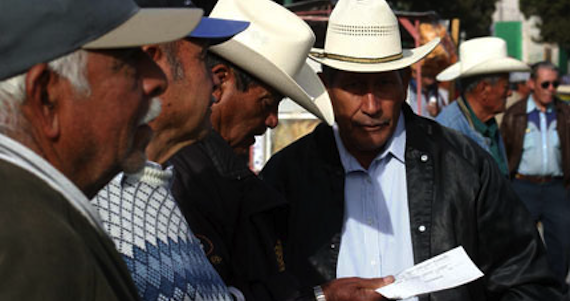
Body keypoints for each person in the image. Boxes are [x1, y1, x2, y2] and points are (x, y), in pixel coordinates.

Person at [260, 0, 562, 300]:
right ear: (327, 86)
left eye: (383, 85)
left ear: (404, 83)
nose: (371, 106)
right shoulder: (287, 177)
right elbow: (261, 287)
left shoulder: (464, 166)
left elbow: (528, 282)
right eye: (354, 86)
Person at [169, 0, 393, 300]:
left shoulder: (214, 174)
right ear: (220, 83)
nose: (273, 121)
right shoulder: (187, 179)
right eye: (267, 102)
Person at [0, 0, 201, 300]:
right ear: (47, 97)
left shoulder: (37, 216)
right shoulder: (32, 241)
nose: (157, 80)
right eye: (128, 59)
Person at [91, 2, 250, 301]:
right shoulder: (100, 204)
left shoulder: (148, 186)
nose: (216, 80)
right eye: (203, 58)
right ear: (156, 64)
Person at [501, 61, 570, 287]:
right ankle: (526, 290)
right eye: (546, 83)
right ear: (532, 84)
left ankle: (557, 290)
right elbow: (505, 152)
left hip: (556, 187)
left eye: (555, 84)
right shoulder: (515, 114)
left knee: (562, 243)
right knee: (522, 244)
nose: (551, 89)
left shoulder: (564, 113)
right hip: (523, 186)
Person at [435, 37, 529, 176]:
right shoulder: (450, 131)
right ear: (484, 89)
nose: (509, 93)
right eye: (506, 87)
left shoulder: (487, 123)